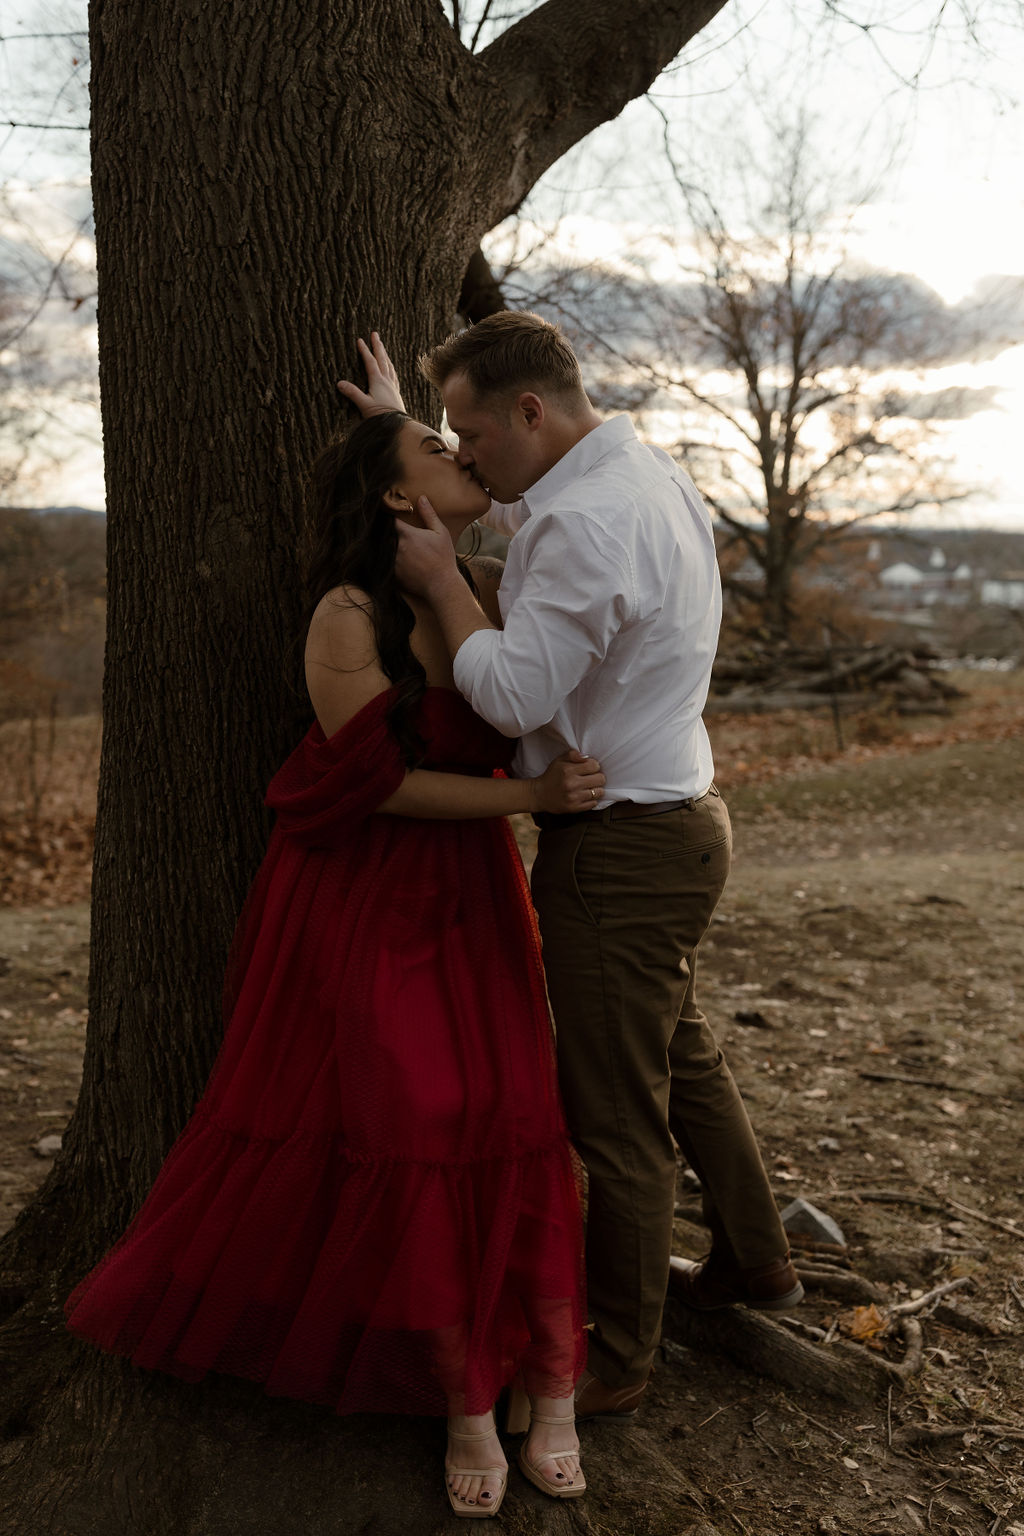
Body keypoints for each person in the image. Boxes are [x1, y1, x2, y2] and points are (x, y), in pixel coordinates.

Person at [65, 406, 606, 1517]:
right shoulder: (347, 615)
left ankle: (549, 1382)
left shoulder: (486, 590)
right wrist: (531, 798)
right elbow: (381, 785)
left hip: (473, 898)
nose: (464, 456)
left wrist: (397, 411)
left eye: (462, 444)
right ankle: (462, 1396)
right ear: (402, 497)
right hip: (361, 894)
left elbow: (503, 483)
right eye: (434, 452)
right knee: (415, 1115)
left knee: (512, 1114)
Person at [343, 315, 802, 1429]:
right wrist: (400, 422)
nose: (465, 458)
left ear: (531, 415)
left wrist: (448, 585)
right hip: (682, 817)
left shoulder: (584, 527)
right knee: (679, 1056)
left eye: (468, 434)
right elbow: (511, 511)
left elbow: (509, 699)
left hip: (620, 849)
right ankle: (760, 1264)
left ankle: (618, 1354)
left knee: (616, 1116)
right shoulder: (639, 473)